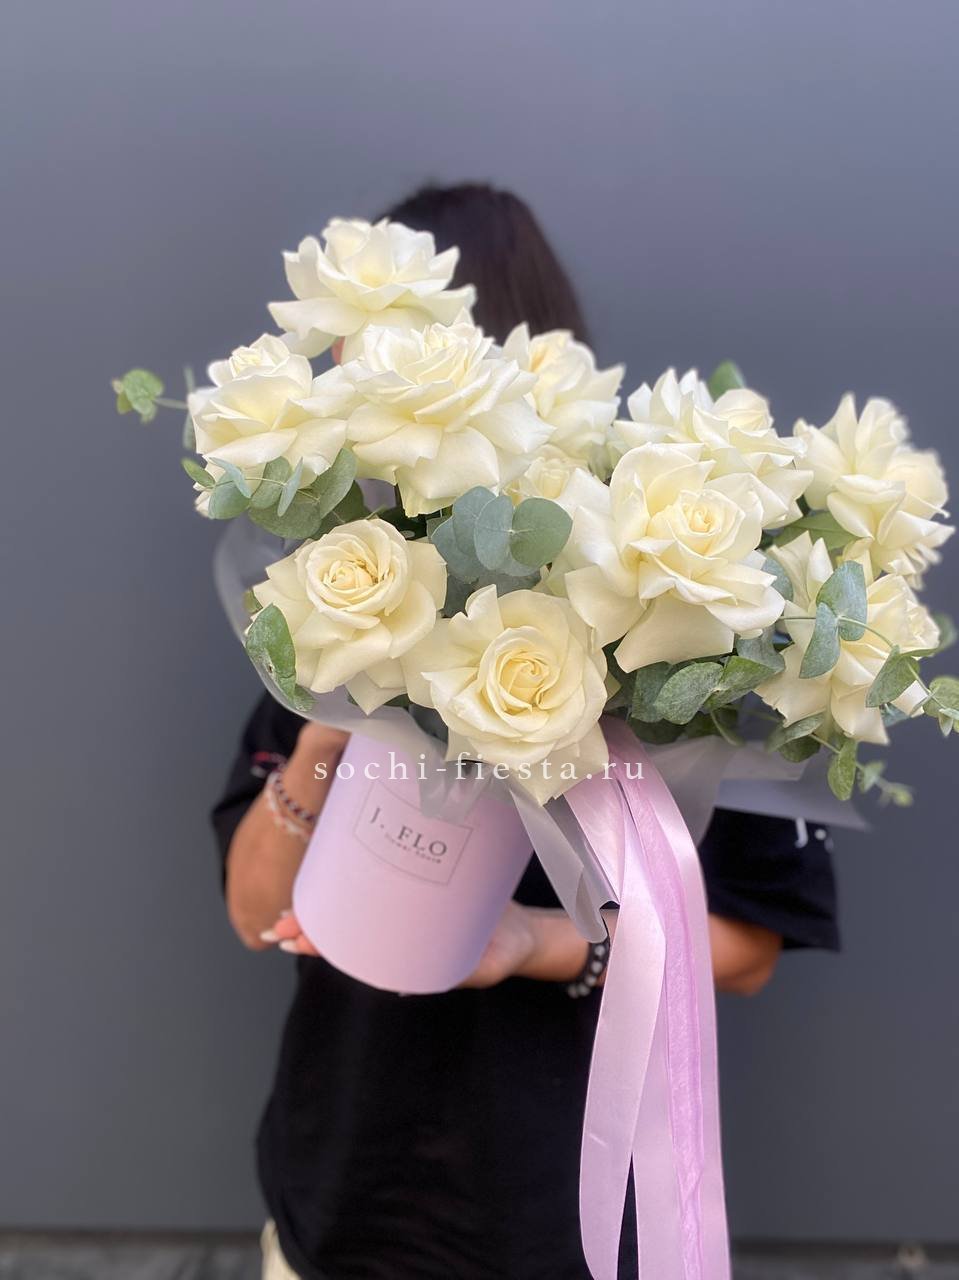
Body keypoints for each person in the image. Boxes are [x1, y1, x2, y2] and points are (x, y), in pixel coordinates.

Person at [213, 183, 840, 1280]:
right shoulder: (342, 592)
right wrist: (330, 722)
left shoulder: (661, 637)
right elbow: (254, 911)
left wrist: (530, 943)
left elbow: (747, 949)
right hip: (338, 1207)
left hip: (558, 1218)